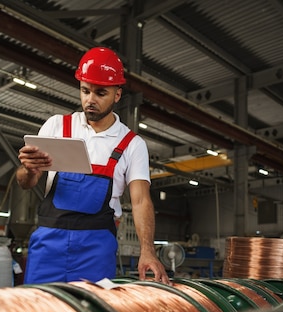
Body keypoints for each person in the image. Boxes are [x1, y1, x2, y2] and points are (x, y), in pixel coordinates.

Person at [16, 47, 169, 285]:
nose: (90, 100)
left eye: (100, 93)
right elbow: (26, 183)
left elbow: (140, 201)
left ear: (117, 95)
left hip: (96, 247)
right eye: (85, 91)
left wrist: (147, 250)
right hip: (48, 243)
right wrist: (28, 170)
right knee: (40, 311)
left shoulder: (131, 144)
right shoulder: (56, 127)